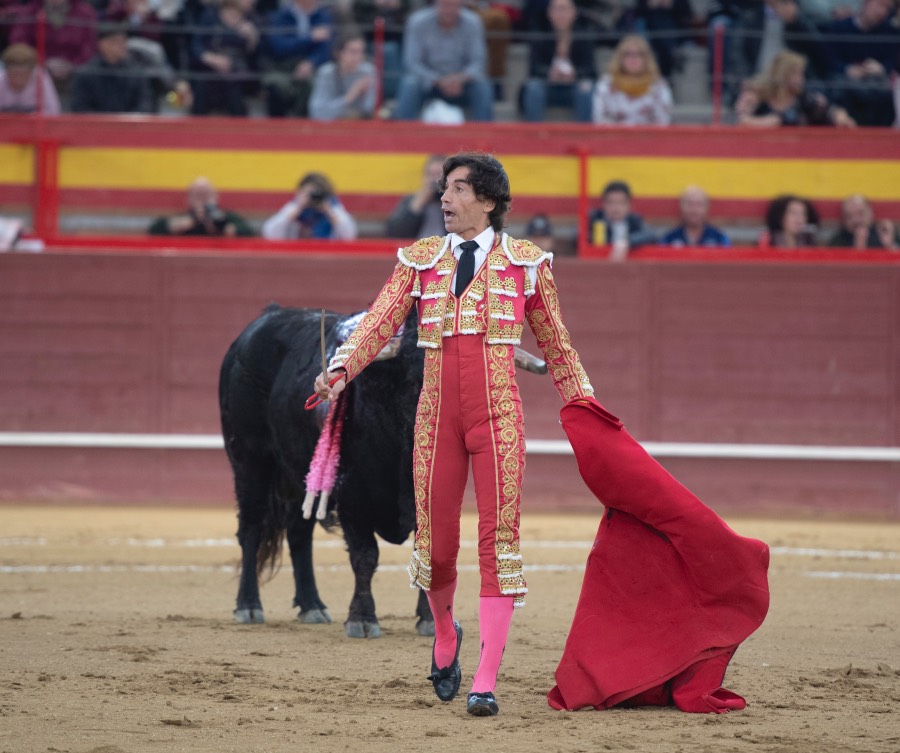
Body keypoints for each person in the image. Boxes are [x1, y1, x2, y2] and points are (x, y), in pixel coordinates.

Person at [313, 152, 594, 717]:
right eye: (444, 188)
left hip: (499, 421)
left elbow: (558, 344)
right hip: (435, 419)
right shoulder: (419, 261)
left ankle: (485, 678)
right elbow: (379, 320)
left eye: (459, 189)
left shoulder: (527, 263)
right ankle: (446, 634)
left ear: (488, 201)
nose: (445, 198)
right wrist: (341, 369)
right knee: (437, 547)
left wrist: (587, 404)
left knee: (500, 544)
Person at [392, 0, 494, 121]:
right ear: (435, 4)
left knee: (482, 86)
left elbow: (478, 62)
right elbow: (412, 63)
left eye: (453, 5)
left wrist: (459, 79)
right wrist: (438, 80)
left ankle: (484, 135)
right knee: (410, 84)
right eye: (445, 5)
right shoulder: (417, 22)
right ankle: (403, 133)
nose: (448, 10)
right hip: (428, 82)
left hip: (463, 83)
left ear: (460, 5)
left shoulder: (473, 22)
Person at [824, 0, 898, 127]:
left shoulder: (890, 32)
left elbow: (894, 62)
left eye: (887, 8)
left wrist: (882, 68)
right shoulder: (839, 28)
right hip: (846, 81)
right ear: (866, 3)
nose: (882, 12)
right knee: (839, 90)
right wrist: (847, 69)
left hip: (876, 83)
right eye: (880, 5)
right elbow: (828, 60)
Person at [735, 50, 855, 127]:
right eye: (797, 74)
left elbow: (830, 111)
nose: (802, 79)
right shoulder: (758, 96)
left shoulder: (806, 98)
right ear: (784, 75)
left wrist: (840, 115)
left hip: (798, 155)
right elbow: (741, 121)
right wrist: (764, 122)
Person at [519, 0, 595, 123]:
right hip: (548, 86)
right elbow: (534, 68)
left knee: (585, 89)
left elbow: (590, 70)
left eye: (564, 9)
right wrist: (550, 74)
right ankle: (533, 135)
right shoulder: (539, 33)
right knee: (533, 88)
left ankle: (584, 136)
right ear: (549, 13)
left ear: (574, 12)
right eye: (557, 9)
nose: (561, 14)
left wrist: (574, 75)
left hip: (573, 86)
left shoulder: (584, 34)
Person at [260, 0, 335, 117]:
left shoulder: (323, 16)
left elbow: (325, 48)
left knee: (313, 86)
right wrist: (310, 38)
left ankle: (305, 129)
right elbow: (279, 46)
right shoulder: (280, 16)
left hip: (312, 67)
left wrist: (311, 62)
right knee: (275, 86)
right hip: (282, 66)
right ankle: (275, 130)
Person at [189, 0, 260, 117]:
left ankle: (239, 129)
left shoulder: (250, 19)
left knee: (235, 90)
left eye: (235, 15)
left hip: (236, 73)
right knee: (201, 84)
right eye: (228, 14)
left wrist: (253, 40)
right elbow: (196, 46)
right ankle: (197, 128)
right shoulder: (210, 16)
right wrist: (213, 59)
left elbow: (256, 56)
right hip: (209, 69)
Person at [9, 0, 98, 91]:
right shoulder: (29, 12)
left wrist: (72, 65)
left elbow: (90, 46)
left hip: (76, 75)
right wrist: (42, 62)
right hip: (35, 75)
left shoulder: (85, 13)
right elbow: (19, 44)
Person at [70, 24, 155, 114]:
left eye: (124, 41)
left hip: (130, 125)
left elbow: (145, 104)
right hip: (96, 126)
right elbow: (80, 107)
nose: (123, 46)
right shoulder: (86, 73)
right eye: (117, 42)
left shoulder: (136, 72)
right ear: (103, 44)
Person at [592, 34, 673, 126]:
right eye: (627, 54)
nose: (633, 58)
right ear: (620, 58)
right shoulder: (605, 84)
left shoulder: (659, 86)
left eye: (639, 54)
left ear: (647, 59)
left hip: (648, 139)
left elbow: (662, 123)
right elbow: (600, 121)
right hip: (614, 138)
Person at [262, 172, 357, 240]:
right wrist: (298, 207)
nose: (312, 198)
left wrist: (328, 210)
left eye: (316, 194)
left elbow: (349, 236)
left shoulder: (333, 208)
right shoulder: (294, 206)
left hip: (326, 257)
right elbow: (270, 233)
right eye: (309, 194)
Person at [147, 177, 255, 237]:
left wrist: (225, 229)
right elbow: (153, 230)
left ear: (216, 197)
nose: (203, 200)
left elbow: (250, 233)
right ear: (189, 200)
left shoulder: (226, 218)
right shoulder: (184, 217)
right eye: (198, 196)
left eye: (206, 195)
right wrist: (175, 226)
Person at [308, 31, 377, 121]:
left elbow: (371, 110)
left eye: (361, 52)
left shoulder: (369, 71)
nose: (358, 57)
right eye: (353, 52)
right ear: (338, 53)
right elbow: (317, 112)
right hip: (330, 129)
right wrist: (350, 96)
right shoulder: (326, 73)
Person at [588, 180, 657, 261]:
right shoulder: (595, 220)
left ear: (629, 205)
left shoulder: (634, 220)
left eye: (621, 203)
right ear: (603, 204)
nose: (616, 208)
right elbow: (580, 237)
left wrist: (627, 242)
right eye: (611, 202)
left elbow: (651, 235)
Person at [385, 154, 447, 239]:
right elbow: (394, 232)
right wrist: (417, 205)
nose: (436, 181)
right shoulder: (411, 200)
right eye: (431, 175)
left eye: (440, 175)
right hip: (416, 248)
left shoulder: (456, 202)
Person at [0, 43, 61, 114]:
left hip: (35, 124)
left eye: (22, 72)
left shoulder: (40, 78)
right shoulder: (1, 80)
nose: (18, 73)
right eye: (14, 71)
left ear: (32, 70)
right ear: (7, 69)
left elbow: (53, 111)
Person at [660, 187, 732, 248]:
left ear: (706, 208)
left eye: (699, 204)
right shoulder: (668, 239)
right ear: (681, 208)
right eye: (690, 204)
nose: (694, 210)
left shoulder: (719, 239)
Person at [828, 194, 899, 250]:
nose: (856, 220)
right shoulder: (838, 241)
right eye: (849, 216)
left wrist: (889, 246)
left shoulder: (885, 233)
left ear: (871, 213)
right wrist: (859, 248)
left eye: (860, 213)